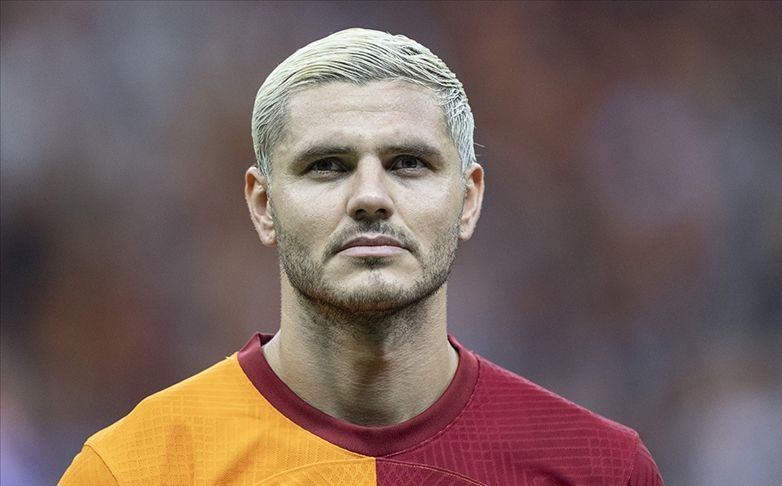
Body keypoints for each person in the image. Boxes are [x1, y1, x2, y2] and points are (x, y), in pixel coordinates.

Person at [60, 28, 663, 485]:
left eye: (409, 163)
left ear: (469, 199)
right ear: (264, 205)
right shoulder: (136, 469)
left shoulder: (600, 470)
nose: (371, 196)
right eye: (327, 165)